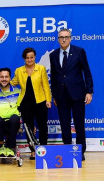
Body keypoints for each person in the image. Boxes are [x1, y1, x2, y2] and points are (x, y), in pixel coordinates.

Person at [50, 28, 93, 161]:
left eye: (66, 37)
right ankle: (68, 148)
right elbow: (54, 76)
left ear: (71, 38)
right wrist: (54, 95)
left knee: (79, 124)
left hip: (78, 94)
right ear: (58, 39)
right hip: (61, 96)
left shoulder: (79, 51)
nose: (64, 39)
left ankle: (80, 150)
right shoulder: (53, 55)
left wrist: (89, 91)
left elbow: (87, 72)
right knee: (64, 124)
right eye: (61, 37)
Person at [11, 47, 52, 159]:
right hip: (25, 103)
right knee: (28, 128)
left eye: (32, 57)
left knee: (42, 126)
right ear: (24, 58)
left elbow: (46, 86)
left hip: (40, 101)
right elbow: (13, 83)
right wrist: (0, 82)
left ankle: (43, 148)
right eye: (27, 58)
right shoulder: (19, 70)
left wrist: (48, 100)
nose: (30, 60)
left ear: (35, 57)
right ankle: (33, 150)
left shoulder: (41, 69)